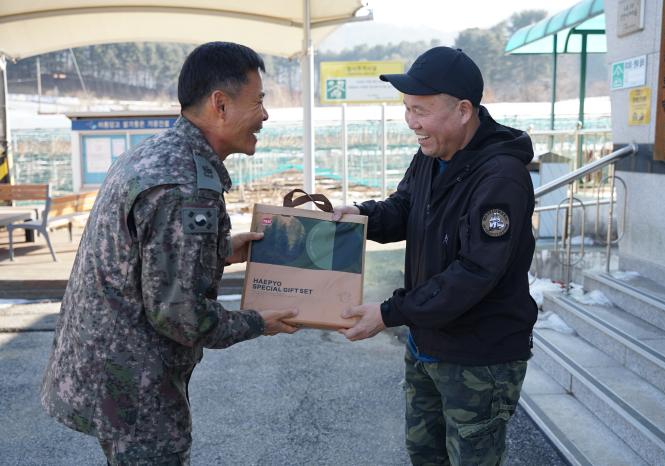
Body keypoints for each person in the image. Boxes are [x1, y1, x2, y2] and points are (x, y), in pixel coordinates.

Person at [41, 42, 298, 465]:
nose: (265, 115)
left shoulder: (154, 154)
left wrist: (219, 250)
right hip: (135, 385)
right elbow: (179, 315)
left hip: (110, 367)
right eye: (259, 101)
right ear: (220, 104)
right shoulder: (184, 187)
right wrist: (256, 322)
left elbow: (147, 256)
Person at [333, 46, 537, 465]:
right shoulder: (431, 155)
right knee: (425, 454)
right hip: (428, 344)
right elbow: (404, 209)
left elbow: (476, 271)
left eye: (420, 110)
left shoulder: (501, 177)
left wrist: (390, 313)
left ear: (463, 110)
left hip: (480, 357)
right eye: (407, 110)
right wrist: (360, 217)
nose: (412, 123)